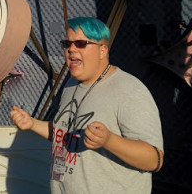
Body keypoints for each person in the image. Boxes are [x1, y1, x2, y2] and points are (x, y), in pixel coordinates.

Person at [10, 17, 163, 193]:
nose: (71, 49)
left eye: (81, 43)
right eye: (67, 44)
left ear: (102, 50)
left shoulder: (129, 90)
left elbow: (154, 160)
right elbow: (66, 132)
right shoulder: (71, 85)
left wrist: (109, 140)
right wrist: (32, 124)